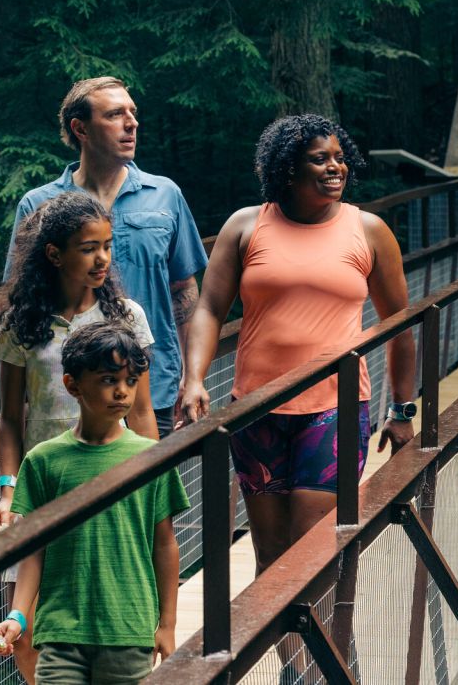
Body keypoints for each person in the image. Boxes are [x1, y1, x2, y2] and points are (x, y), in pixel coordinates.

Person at [179, 114, 417, 576]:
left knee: (311, 553)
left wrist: (402, 411)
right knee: (270, 556)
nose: (336, 168)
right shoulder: (246, 226)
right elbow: (209, 308)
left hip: (335, 408)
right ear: (289, 168)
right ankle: (292, 652)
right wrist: (194, 380)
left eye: (340, 158)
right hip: (256, 408)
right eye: (320, 159)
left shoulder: (367, 230)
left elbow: (400, 326)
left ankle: (321, 649)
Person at [0, 192, 158, 680]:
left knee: (104, 616)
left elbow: (142, 412)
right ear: (55, 254)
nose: (102, 258)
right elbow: (9, 421)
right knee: (29, 626)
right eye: (88, 248)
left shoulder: (126, 316)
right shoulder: (22, 325)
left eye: (107, 245)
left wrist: (152, 481)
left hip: (110, 477)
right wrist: (8, 489)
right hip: (42, 483)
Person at [5, 76, 208, 440]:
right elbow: (21, 298)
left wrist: (191, 377)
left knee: (148, 493)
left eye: (133, 113)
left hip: (153, 389)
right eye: (115, 114)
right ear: (80, 128)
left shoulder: (165, 195)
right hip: (69, 395)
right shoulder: (39, 206)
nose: (132, 123)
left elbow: (184, 291)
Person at [0, 322, 189, 683]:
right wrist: (18, 616)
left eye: (130, 381)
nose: (122, 392)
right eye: (109, 380)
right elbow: (33, 549)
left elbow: (164, 544)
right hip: (61, 632)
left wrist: (167, 625)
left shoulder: (150, 458)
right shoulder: (43, 460)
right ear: (73, 385)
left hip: (128, 630)